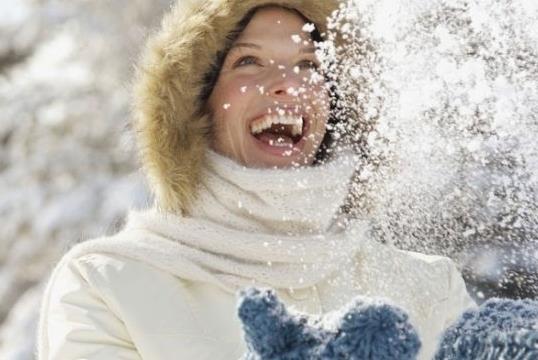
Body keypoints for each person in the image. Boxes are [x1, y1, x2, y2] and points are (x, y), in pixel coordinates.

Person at [36, 1, 475, 359]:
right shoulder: (109, 284)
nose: (288, 84)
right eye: (248, 61)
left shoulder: (429, 287)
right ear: (195, 103)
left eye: (309, 64)